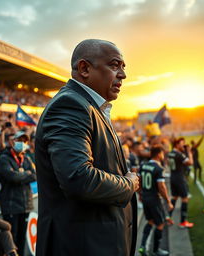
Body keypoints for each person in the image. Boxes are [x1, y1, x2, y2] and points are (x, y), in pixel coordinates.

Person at [35, 39, 139, 256]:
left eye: (123, 67)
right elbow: (79, 177)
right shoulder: (71, 105)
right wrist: (127, 184)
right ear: (84, 69)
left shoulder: (90, 107)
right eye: (114, 65)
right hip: (82, 246)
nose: (122, 74)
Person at [0, 131, 36, 256]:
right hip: (11, 206)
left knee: (22, 240)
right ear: (12, 141)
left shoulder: (27, 158)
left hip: (25, 206)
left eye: (25, 141)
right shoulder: (4, 158)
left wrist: (22, 175)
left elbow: (35, 175)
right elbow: (12, 177)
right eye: (20, 140)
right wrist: (26, 174)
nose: (23, 144)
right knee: (11, 243)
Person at [138, 146, 173, 256]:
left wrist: (140, 194)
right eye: (162, 153)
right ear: (158, 154)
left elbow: (138, 181)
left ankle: (142, 247)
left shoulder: (143, 165)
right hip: (154, 199)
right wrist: (168, 201)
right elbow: (161, 187)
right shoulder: (158, 168)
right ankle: (156, 250)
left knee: (150, 221)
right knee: (160, 223)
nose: (163, 156)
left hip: (145, 198)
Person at [167, 138, 194, 228]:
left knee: (174, 197)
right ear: (177, 145)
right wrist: (189, 152)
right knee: (185, 198)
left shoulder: (170, 153)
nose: (183, 146)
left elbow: (168, 163)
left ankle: (168, 217)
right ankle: (183, 222)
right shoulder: (179, 154)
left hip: (173, 177)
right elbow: (190, 162)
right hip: (179, 178)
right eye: (182, 144)